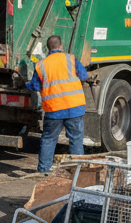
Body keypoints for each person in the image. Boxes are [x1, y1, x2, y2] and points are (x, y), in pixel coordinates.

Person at [25, 35, 90, 175]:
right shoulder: (71, 59)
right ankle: (78, 171)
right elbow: (84, 76)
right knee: (76, 140)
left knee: (48, 139)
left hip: (54, 110)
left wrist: (26, 84)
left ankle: (43, 171)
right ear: (61, 46)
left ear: (48, 48)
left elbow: (35, 86)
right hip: (74, 107)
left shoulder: (41, 65)